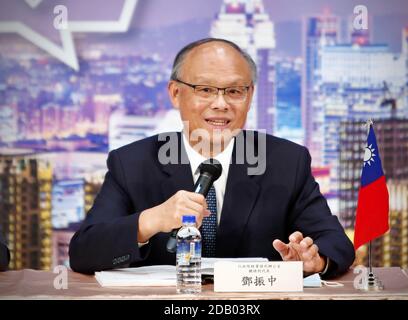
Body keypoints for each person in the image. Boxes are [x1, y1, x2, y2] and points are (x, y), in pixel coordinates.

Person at [69, 38, 355, 278]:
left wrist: (314, 261)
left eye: (234, 91)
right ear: (176, 93)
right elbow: (83, 252)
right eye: (205, 90)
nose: (221, 104)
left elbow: (336, 244)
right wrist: (152, 220)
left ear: (250, 95)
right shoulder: (131, 163)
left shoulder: (286, 161)